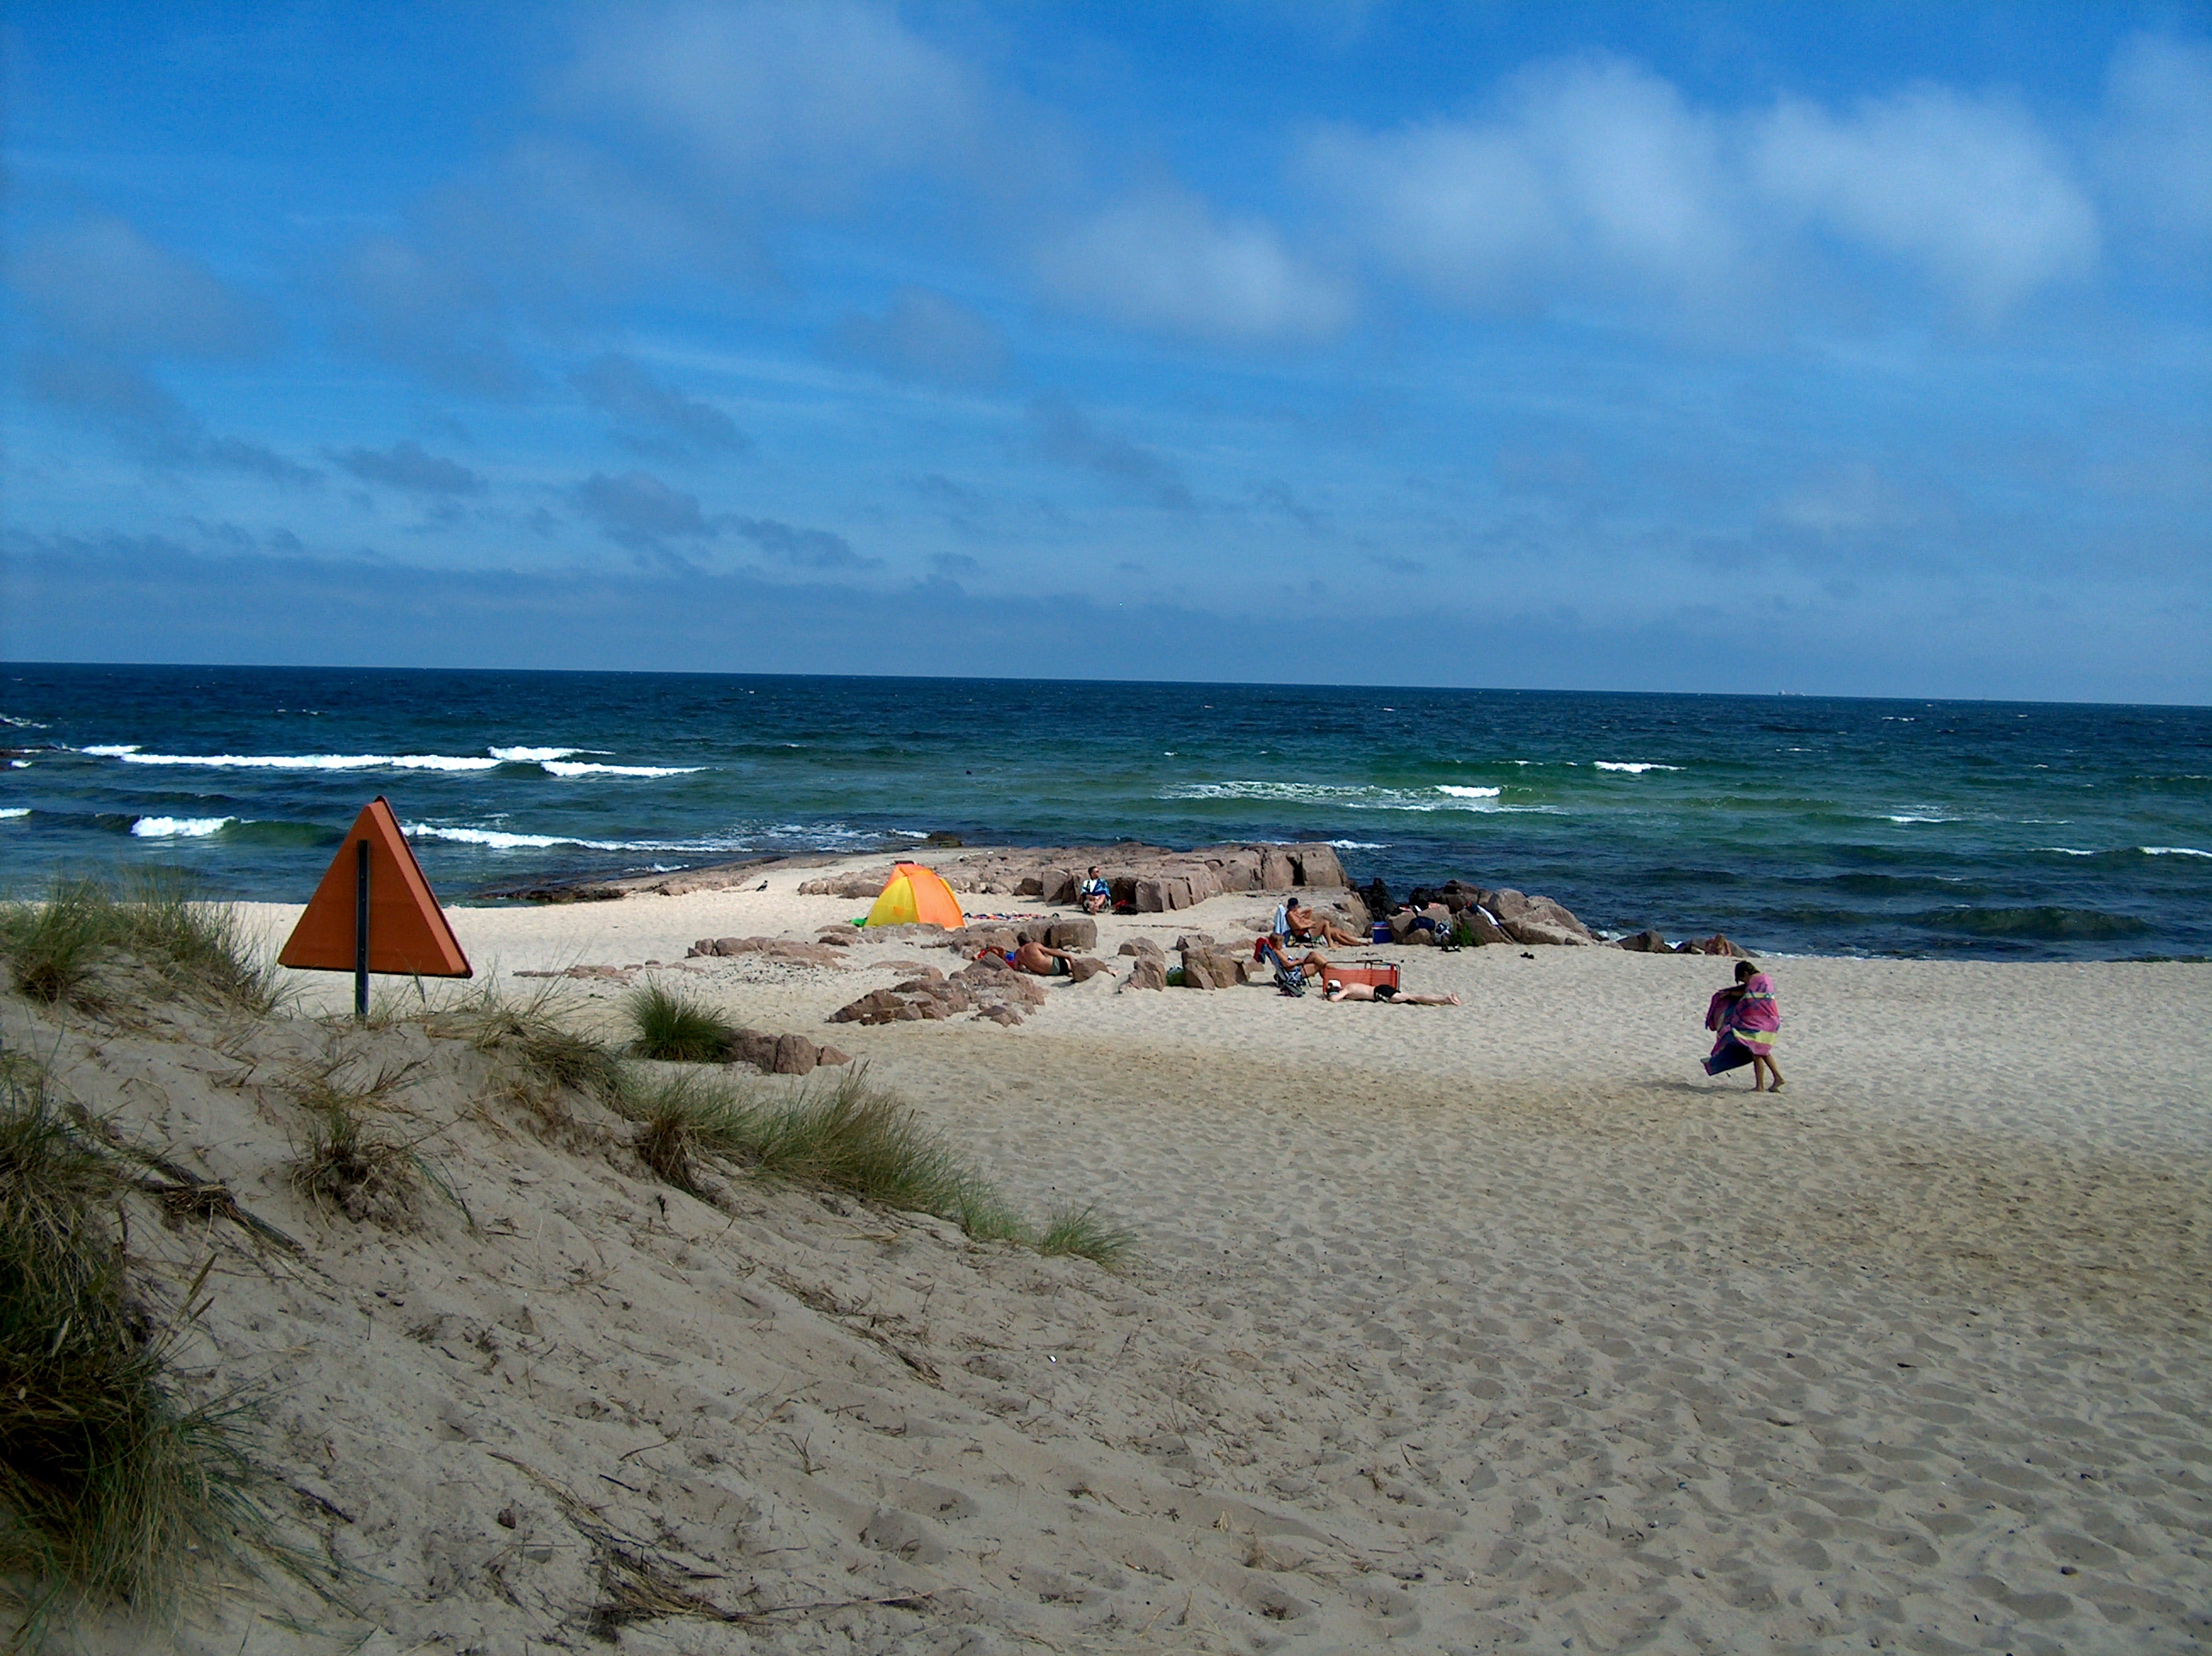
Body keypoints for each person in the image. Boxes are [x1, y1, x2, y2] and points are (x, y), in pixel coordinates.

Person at [1705, 959, 1785, 1091]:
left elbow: (1749, 997)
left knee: (1756, 1052)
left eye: (1743, 979)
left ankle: (1760, 1086)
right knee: (1762, 1050)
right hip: (1771, 1019)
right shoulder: (1766, 978)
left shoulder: (1755, 980)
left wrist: (1728, 995)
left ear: (1746, 973)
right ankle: (1778, 1078)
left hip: (1759, 1021)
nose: (1744, 983)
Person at [1284, 898, 1363, 948]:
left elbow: (1310, 910)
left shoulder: (1295, 913)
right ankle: (1330, 944)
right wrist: (1309, 925)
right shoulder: (1290, 914)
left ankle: (1356, 943)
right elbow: (1299, 926)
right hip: (1304, 935)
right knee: (1325, 923)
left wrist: (1300, 913)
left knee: (1337, 932)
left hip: (1308, 931)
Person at [1324, 978, 1461, 1005]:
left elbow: (1334, 1000)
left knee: (1414, 998)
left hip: (1379, 993)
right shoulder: (1351, 985)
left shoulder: (1347, 989)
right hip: (1382, 988)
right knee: (1411, 997)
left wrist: (1331, 995)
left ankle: (1445, 999)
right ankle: (1444, 998)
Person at [1010, 933, 1081, 976]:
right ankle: (1072, 970)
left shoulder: (1018, 954)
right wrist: (1068, 956)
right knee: (1074, 963)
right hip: (1056, 965)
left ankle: (1069, 971)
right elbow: (1050, 951)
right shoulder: (1034, 945)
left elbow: (1016, 968)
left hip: (1047, 973)